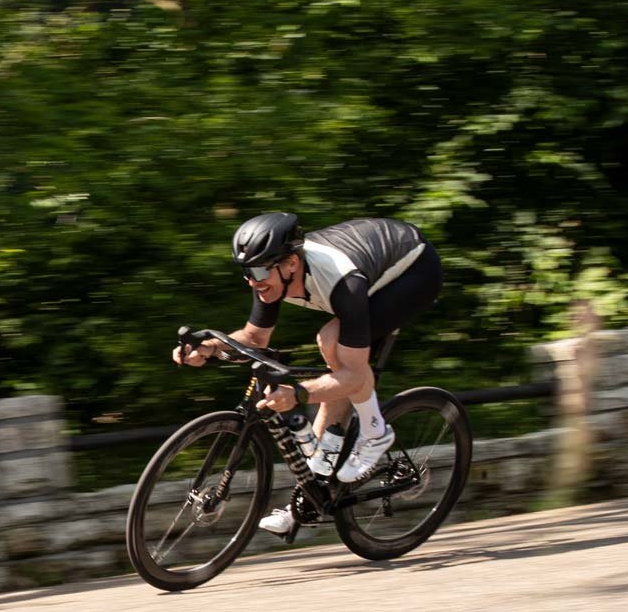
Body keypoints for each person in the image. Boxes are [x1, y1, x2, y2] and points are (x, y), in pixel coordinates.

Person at [175, 212, 442, 536]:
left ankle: (375, 431)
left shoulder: (343, 282)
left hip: (412, 270)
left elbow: (355, 377)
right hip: (371, 261)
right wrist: (210, 347)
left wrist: (299, 394)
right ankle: (311, 496)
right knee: (335, 365)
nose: (252, 280)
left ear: (290, 263)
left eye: (258, 270)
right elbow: (256, 338)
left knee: (332, 344)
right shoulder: (270, 278)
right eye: (246, 271)